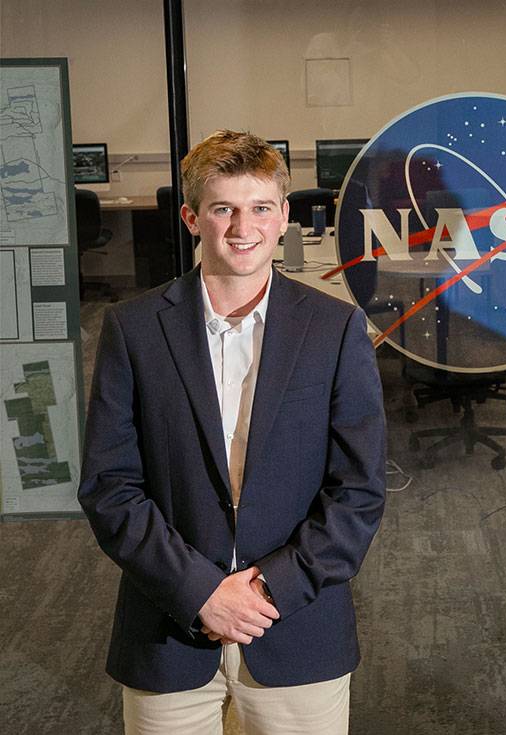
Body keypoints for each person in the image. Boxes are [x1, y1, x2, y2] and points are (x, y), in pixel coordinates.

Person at [78, 130, 386, 734]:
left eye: (260, 208)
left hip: (298, 628)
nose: (243, 227)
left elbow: (358, 490)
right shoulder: (134, 331)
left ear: (284, 216)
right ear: (193, 218)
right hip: (169, 634)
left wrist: (270, 590)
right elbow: (110, 487)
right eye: (223, 208)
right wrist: (201, 592)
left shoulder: (335, 329)